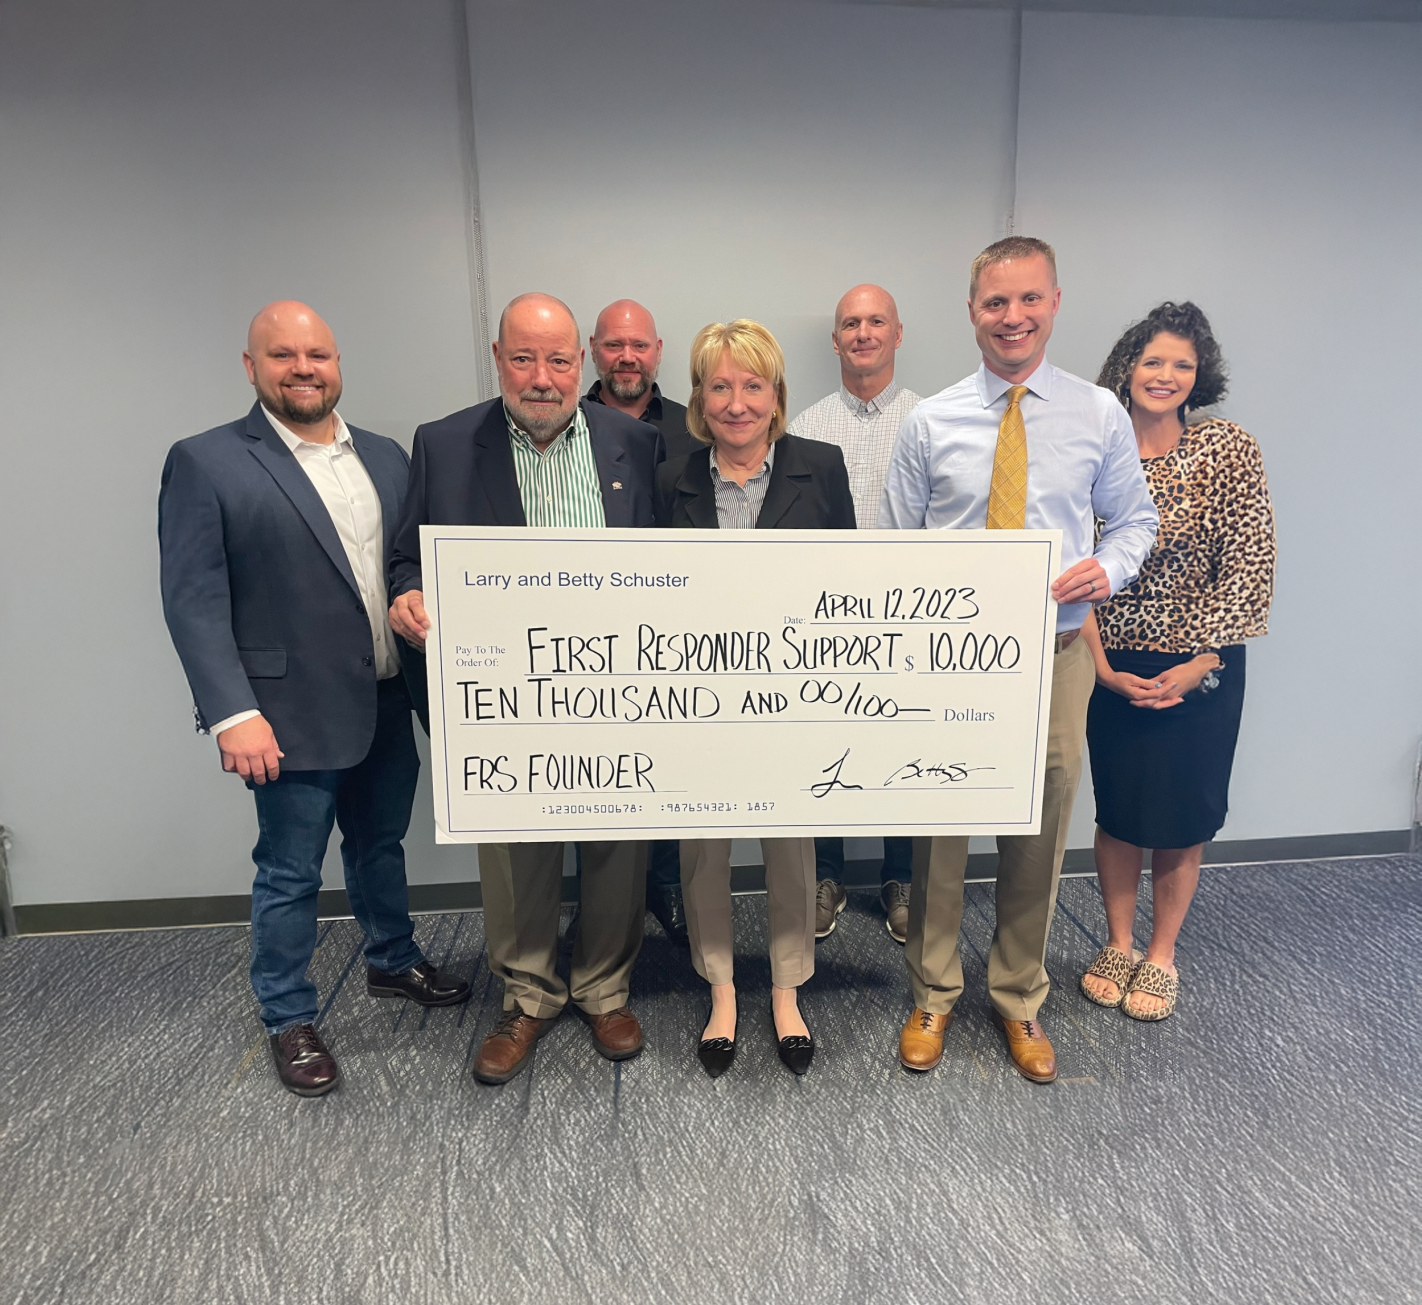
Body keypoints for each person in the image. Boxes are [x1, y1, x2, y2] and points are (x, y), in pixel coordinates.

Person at [158, 302, 469, 1098]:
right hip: (283, 713)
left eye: (318, 355)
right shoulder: (207, 461)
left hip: (387, 692)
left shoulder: (390, 457)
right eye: (284, 355)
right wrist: (232, 712)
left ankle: (392, 961)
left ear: (338, 363)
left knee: (380, 847)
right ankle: (288, 1014)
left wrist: (416, 595)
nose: (304, 368)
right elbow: (192, 598)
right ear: (250, 365)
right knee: (290, 870)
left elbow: (406, 564)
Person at [879, 238, 1158, 1083]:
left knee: (1041, 823)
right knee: (941, 828)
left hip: (1060, 650)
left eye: (1028, 300)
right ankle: (933, 988)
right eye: (996, 303)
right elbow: (895, 546)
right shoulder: (930, 420)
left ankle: (1018, 996)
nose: (1013, 317)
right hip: (952, 663)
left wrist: (1105, 568)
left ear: (1055, 303)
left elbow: (1136, 522)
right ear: (973, 312)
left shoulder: (1099, 413)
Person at [388, 293, 663, 1086]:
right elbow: (408, 557)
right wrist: (408, 593)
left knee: (617, 838)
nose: (541, 378)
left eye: (557, 360)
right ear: (499, 357)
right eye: (523, 359)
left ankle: (606, 987)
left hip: (614, 684)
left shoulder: (631, 442)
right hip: (505, 696)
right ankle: (529, 994)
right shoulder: (444, 444)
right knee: (516, 849)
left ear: (581, 362)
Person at [655, 319, 855, 1077]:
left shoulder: (821, 467)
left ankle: (785, 988)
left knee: (790, 845)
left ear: (775, 396)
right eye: (720, 386)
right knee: (703, 845)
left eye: (752, 385)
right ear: (700, 400)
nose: (737, 402)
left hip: (793, 691)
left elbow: (846, 585)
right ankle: (721, 988)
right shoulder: (670, 475)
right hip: (700, 694)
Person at [1078, 302, 1275, 1021]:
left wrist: (1202, 662)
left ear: (1200, 377)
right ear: (1127, 368)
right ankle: (1119, 942)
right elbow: (1072, 559)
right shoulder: (1093, 448)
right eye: (1153, 360)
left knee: (1184, 814)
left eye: (1182, 365)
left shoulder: (1226, 449)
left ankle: (1161, 953)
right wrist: (1098, 664)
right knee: (1121, 809)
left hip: (1202, 663)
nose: (1165, 375)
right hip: (1107, 657)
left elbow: (1248, 563)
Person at [788, 284, 922, 945]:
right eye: (850, 323)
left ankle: (901, 876)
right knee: (827, 744)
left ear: (899, 334)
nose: (863, 332)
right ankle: (828, 874)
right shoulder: (805, 428)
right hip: (826, 622)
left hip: (914, 618)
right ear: (835, 340)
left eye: (876, 321)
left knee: (906, 744)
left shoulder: (933, 423)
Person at [584, 300, 694, 945]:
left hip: (674, 630)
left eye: (640, 346)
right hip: (594, 633)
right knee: (603, 772)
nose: (628, 357)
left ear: (658, 351)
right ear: (594, 351)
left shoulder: (693, 426)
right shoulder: (567, 426)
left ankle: (667, 888)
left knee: (667, 767)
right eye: (614, 345)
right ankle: (604, 912)